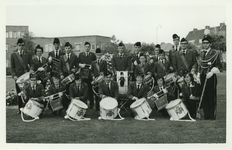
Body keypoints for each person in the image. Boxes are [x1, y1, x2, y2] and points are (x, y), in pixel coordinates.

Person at [198, 35, 222, 120]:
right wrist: (198, 74)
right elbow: (200, 65)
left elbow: (219, 66)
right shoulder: (201, 53)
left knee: (211, 95)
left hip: (211, 76)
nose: (205, 44)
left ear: (210, 44)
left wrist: (212, 71)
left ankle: (212, 115)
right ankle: (206, 114)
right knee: (204, 95)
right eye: (203, 43)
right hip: (203, 76)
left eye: (207, 43)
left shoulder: (214, 53)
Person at [10, 38, 32, 114]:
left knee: (27, 93)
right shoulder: (13, 55)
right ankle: (20, 109)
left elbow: (31, 64)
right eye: (19, 45)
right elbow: (12, 67)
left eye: (22, 45)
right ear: (17, 45)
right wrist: (14, 75)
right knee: (19, 93)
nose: (21, 47)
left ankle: (27, 108)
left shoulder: (28, 54)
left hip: (26, 77)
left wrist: (31, 70)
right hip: (18, 78)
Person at [78, 42, 96, 109]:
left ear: (90, 47)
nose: (87, 48)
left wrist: (92, 66)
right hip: (82, 74)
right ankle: (83, 104)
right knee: (83, 89)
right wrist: (80, 65)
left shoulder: (92, 55)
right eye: (86, 46)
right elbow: (77, 63)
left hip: (90, 74)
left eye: (88, 46)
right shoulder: (80, 55)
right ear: (84, 47)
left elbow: (95, 63)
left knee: (90, 89)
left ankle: (91, 104)